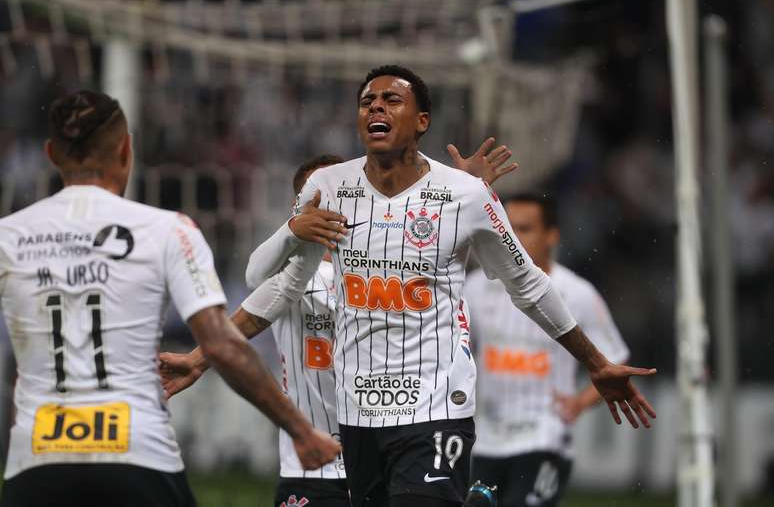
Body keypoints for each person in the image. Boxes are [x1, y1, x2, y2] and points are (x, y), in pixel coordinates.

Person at [237, 65, 656, 507]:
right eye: (367, 101)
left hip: (435, 408)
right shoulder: (327, 187)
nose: (376, 105)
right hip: (356, 416)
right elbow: (279, 286)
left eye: (391, 99)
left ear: (422, 122)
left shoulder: (467, 195)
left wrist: (594, 362)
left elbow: (529, 284)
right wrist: (206, 350)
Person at [0, 90, 340, 507]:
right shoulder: (167, 230)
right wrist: (300, 430)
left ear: (51, 153)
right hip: (138, 454)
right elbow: (221, 342)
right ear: (126, 149)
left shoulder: (9, 235)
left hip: (37, 457)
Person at [158, 142, 516, 507]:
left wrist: (464, 193)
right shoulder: (296, 276)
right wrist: (199, 359)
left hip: (391, 441)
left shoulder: (397, 270)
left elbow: (448, 258)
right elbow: (255, 285)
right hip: (313, 463)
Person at [465, 192, 631, 507]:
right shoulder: (475, 287)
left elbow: (615, 358)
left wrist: (579, 403)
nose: (511, 238)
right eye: (508, 228)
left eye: (525, 229)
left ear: (551, 236)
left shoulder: (578, 293)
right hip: (486, 440)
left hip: (544, 436)